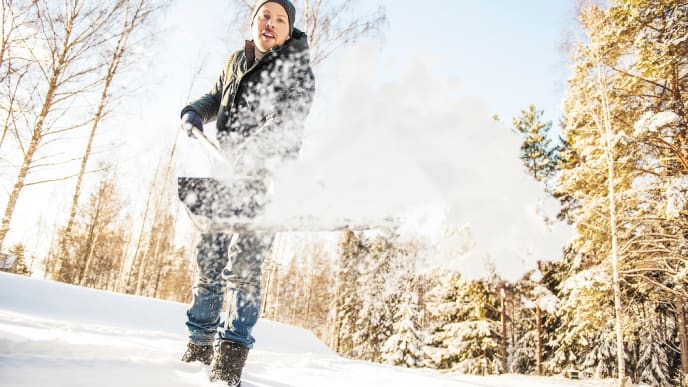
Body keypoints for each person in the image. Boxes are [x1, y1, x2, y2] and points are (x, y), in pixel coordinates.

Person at [178, 0, 314, 385]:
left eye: (280, 19)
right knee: (209, 260)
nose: (270, 23)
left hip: (265, 179)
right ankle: (199, 345)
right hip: (223, 173)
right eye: (264, 16)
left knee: (244, 270)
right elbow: (216, 95)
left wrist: (248, 153)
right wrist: (194, 111)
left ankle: (230, 359)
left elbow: (285, 124)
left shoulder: (296, 72)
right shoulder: (236, 60)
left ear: (289, 32)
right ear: (253, 22)